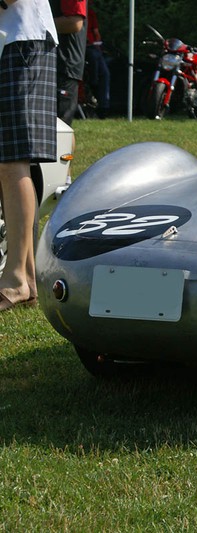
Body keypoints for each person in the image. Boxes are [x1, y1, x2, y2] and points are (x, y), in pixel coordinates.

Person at [0, 0, 59, 312]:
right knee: (9, 162)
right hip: (16, 38)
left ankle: (16, 279)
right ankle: (28, 279)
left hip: (22, 39)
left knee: (12, 161)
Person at [49, 0, 86, 125]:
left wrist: (37, 23)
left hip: (65, 65)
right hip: (54, 63)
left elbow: (74, 23)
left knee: (60, 128)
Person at [84, 6, 109, 117]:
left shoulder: (91, 13)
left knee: (105, 73)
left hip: (92, 47)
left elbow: (96, 32)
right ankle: (93, 82)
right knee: (94, 57)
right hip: (83, 48)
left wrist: (98, 45)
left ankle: (104, 106)